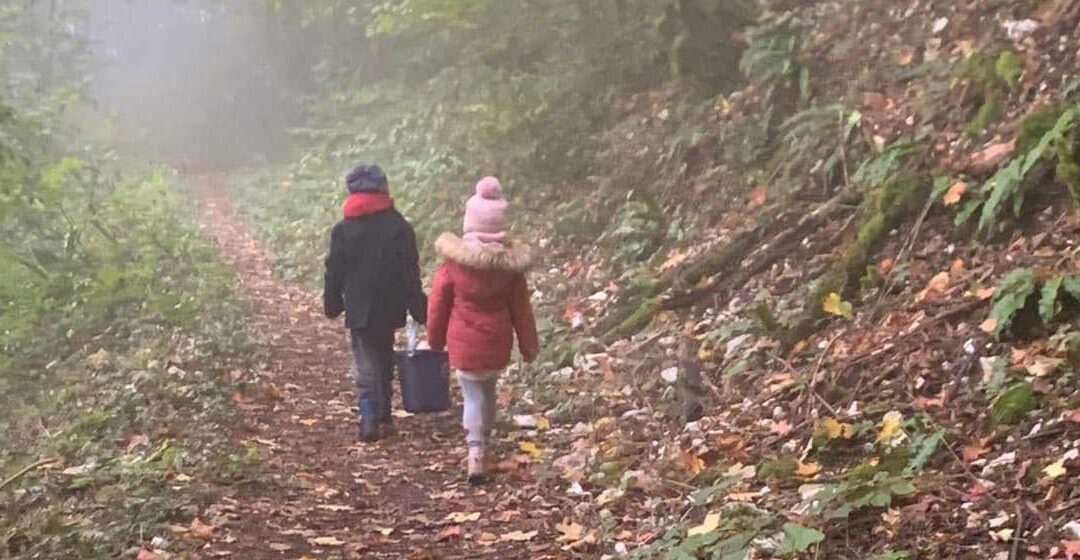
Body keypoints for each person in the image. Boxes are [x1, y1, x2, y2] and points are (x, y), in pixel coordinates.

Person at [426, 176, 539, 485]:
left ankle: (475, 452)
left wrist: (434, 341)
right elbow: (522, 311)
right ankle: (485, 443)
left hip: (464, 344)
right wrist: (529, 346)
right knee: (488, 392)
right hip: (496, 341)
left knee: (471, 395)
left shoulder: (452, 265)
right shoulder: (510, 271)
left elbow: (437, 305)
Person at [324, 164, 427, 442]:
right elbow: (409, 271)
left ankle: (369, 415)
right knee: (383, 355)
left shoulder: (343, 230)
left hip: (359, 306)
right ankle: (383, 415)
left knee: (365, 360)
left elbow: (335, 269)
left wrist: (332, 299)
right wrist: (418, 305)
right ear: (383, 189)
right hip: (390, 304)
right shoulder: (399, 227)